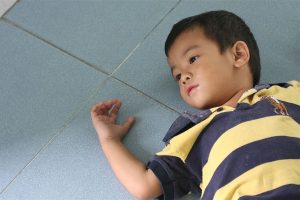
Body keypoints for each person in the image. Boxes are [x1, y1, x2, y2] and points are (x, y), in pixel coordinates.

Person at [91, 10, 300, 200]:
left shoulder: (288, 92)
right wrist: (109, 139)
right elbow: (144, 186)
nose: (183, 78)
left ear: (238, 55)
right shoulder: (194, 133)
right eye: (177, 75)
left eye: (192, 59)